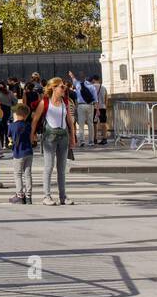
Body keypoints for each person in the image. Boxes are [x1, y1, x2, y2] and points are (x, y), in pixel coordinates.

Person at [31, 77, 77, 205]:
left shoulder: (65, 102)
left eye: (64, 87)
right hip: (49, 137)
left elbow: (69, 121)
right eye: (61, 87)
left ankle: (63, 197)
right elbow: (35, 120)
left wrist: (73, 137)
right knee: (49, 166)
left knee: (62, 168)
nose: (64, 89)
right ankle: (46, 196)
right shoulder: (45, 102)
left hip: (63, 136)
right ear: (53, 88)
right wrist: (32, 135)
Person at [8, 103, 34, 204]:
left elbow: (9, 137)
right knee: (28, 174)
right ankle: (28, 196)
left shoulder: (12, 126)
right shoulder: (28, 125)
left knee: (18, 174)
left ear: (17, 114)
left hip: (18, 153)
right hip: (29, 152)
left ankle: (19, 195)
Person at [72, 71, 98, 148]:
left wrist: (72, 76)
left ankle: (82, 141)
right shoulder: (91, 86)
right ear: (85, 77)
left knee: (81, 124)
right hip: (90, 105)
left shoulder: (77, 85)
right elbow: (95, 99)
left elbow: (74, 80)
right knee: (91, 124)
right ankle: (91, 141)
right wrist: (97, 109)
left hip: (81, 106)